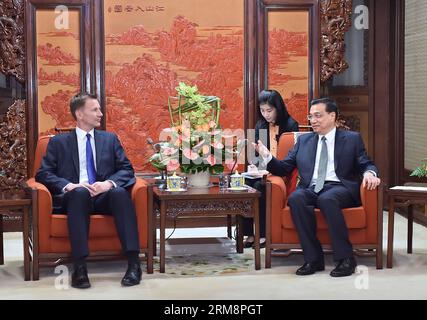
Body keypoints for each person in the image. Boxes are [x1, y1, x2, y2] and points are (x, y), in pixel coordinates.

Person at [254, 97, 381, 277]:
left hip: (340, 187)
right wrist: (267, 157)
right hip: (312, 187)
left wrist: (370, 173)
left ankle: (346, 259)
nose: (313, 120)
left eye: (318, 116)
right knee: (296, 199)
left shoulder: (351, 139)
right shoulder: (304, 141)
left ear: (332, 116)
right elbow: (284, 168)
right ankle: (313, 259)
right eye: (311, 116)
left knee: (327, 198)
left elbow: (366, 163)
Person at [35, 93, 142, 288]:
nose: (100, 113)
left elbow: (127, 169)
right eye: (95, 109)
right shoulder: (59, 143)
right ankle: (80, 267)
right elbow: (43, 174)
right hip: (74, 197)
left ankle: (134, 264)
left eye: (100, 109)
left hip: (103, 196)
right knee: (79, 193)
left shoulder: (110, 140)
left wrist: (108, 184)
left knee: (118, 193)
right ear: (80, 114)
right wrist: (69, 185)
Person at [243, 89, 299, 248]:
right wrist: (254, 166)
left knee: (261, 187)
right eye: (262, 110)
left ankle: (262, 234)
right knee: (245, 184)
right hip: (263, 170)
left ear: (278, 108)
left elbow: (290, 158)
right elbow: (255, 154)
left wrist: (270, 168)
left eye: (269, 110)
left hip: (281, 171)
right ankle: (248, 232)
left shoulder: (290, 124)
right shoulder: (260, 124)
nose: (266, 114)